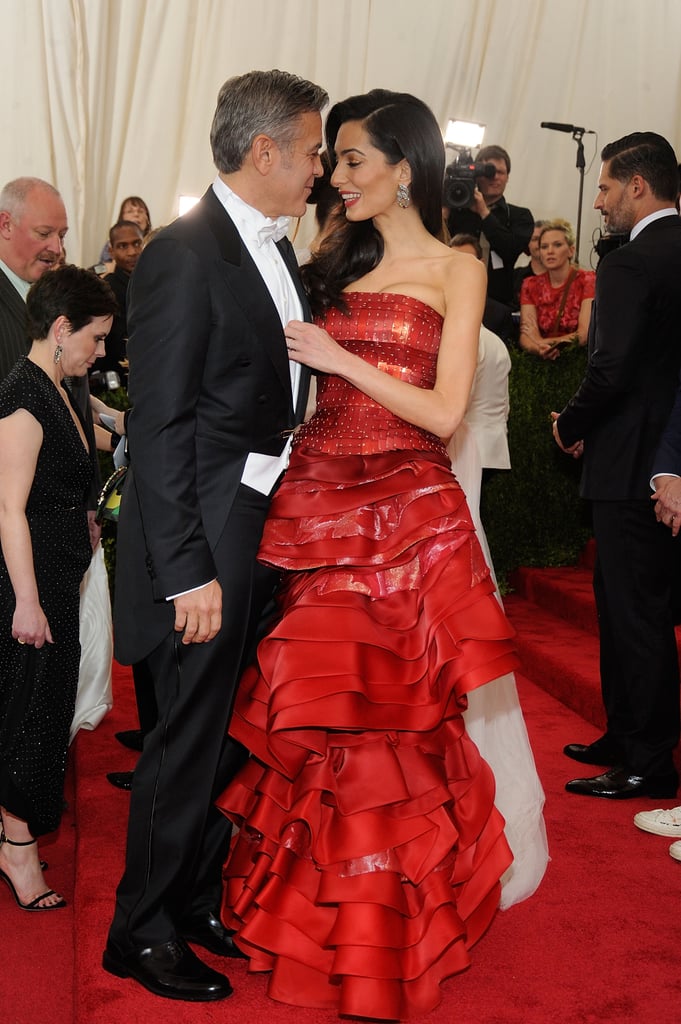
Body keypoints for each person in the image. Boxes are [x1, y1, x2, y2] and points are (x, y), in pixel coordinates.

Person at [215, 90, 544, 1021]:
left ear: (405, 165)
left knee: (391, 726)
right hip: (317, 507)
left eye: (353, 159)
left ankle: (385, 930)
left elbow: (443, 416)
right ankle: (312, 917)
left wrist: (342, 360)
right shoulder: (326, 256)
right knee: (317, 721)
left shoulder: (456, 266)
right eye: (334, 160)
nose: (334, 175)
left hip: (401, 518)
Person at [103, 69, 328, 1003]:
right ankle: (139, 932)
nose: (320, 169)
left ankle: (193, 901)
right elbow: (156, 425)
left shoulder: (272, 248)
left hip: (253, 512)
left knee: (224, 737)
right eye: (314, 151)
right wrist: (187, 569)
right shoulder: (186, 253)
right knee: (185, 741)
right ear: (265, 149)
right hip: (200, 528)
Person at [553, 131, 681, 800]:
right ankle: (625, 734)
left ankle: (648, 760)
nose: (597, 200)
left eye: (604, 187)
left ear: (637, 185)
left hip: (632, 462)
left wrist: (568, 425)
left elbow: (610, 368)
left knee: (634, 616)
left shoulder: (633, 262)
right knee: (630, 610)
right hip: (660, 460)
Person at [0, 265, 115, 911]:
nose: (99, 352)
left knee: (41, 707)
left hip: (54, 574)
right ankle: (18, 850)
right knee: (33, 714)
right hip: (31, 582)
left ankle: (11, 835)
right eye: (94, 339)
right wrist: (26, 600)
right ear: (61, 328)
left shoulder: (57, 385)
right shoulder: (24, 395)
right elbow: (8, 508)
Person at [446, 144, 533, 307]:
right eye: (489, 171)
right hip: (452, 296)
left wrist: (484, 212)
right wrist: (444, 208)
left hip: (497, 303)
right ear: (477, 174)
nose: (495, 177)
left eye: (501, 172)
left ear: (508, 177)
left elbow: (510, 250)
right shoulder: (457, 211)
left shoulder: (520, 216)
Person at [519, 219, 595, 360]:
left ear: (571, 250)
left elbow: (583, 335)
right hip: (541, 364)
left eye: (557, 245)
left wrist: (541, 341)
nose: (550, 251)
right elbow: (525, 336)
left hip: (577, 363)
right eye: (544, 246)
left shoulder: (587, 280)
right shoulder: (530, 284)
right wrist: (539, 349)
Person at [90, 219, 143, 390]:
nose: (132, 252)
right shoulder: (108, 288)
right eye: (123, 246)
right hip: (117, 381)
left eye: (137, 243)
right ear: (111, 251)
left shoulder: (153, 283)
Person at [97, 196, 151, 267]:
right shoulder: (111, 243)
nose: (136, 214)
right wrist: (107, 268)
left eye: (140, 211)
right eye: (130, 211)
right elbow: (97, 268)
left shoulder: (155, 241)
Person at [512, 218, 549, 308]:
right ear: (527, 243)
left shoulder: (563, 277)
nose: (540, 243)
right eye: (535, 239)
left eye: (544, 238)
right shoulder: (515, 276)